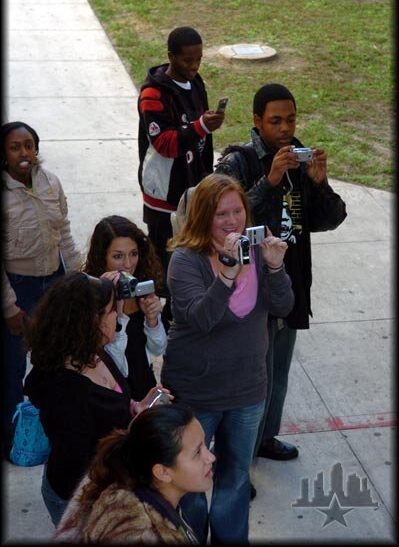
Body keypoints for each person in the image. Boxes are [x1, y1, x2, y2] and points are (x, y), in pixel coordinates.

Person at [215, 83, 347, 464]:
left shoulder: (299, 159)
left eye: (290, 119)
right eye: (275, 121)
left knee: (279, 373)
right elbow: (226, 223)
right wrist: (269, 181)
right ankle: (238, 460)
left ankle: (265, 439)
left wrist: (320, 183)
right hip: (250, 288)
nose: (285, 128)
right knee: (250, 381)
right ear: (257, 121)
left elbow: (330, 220)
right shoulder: (238, 161)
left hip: (290, 284)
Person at [161, 173, 294, 544]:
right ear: (204, 216)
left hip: (247, 390)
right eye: (222, 214)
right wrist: (228, 273)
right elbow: (202, 319)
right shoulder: (185, 261)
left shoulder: (255, 252)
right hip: (196, 393)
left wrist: (275, 267)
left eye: (238, 211)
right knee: (188, 486)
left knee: (234, 479)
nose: (232, 221)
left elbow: (284, 306)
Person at [23, 271, 172, 526]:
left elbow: (109, 405)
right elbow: (81, 468)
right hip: (81, 499)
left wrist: (137, 406)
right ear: (93, 322)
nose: (119, 316)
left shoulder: (94, 352)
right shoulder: (68, 393)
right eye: (112, 311)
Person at [1, 121, 82, 459]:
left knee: (58, 360)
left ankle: (54, 427)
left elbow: (63, 231)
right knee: (13, 367)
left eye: (29, 145)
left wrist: (78, 277)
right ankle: (11, 438)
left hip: (55, 282)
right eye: (15, 147)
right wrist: (9, 308)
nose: (24, 153)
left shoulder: (50, 182)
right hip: (19, 288)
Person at [137, 26, 225, 286]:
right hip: (165, 197)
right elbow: (164, 143)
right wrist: (201, 126)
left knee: (192, 265)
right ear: (171, 56)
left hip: (194, 190)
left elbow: (200, 136)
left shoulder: (196, 82)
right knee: (163, 271)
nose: (195, 66)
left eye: (199, 59)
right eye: (188, 60)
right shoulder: (152, 95)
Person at [54, 404, 215, 543]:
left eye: (205, 446)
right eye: (197, 453)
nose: (211, 457)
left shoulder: (127, 478)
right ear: (163, 472)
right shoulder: (140, 534)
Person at [83, 215, 168, 401]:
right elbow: (116, 364)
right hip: (111, 391)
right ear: (101, 257)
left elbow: (157, 349)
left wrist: (152, 320)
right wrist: (117, 314)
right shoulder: (91, 296)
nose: (128, 264)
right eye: (118, 256)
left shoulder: (141, 288)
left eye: (134, 253)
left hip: (144, 383)